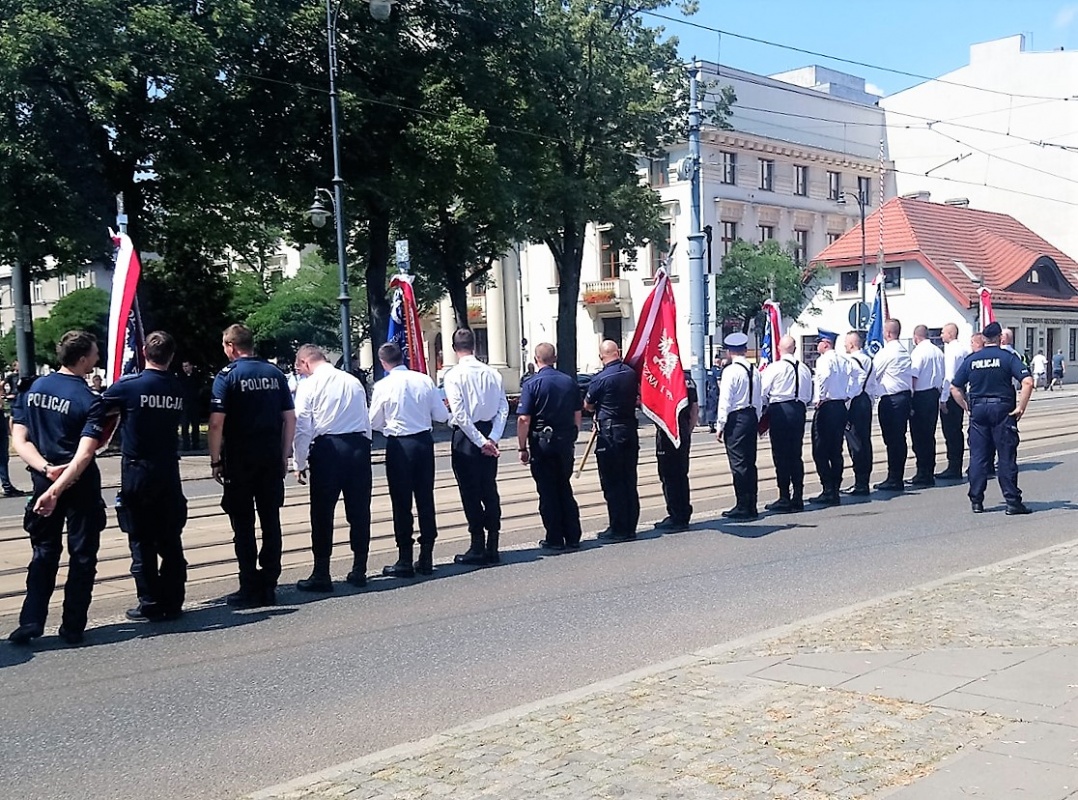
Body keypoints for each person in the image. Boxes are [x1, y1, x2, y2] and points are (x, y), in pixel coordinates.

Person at [8, 331, 107, 645]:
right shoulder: (90, 400)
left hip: (43, 477)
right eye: (94, 354)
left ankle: (31, 621)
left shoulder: (34, 388)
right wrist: (59, 486)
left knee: (44, 551)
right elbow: (84, 454)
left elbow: (19, 440)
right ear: (82, 360)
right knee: (82, 555)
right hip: (78, 485)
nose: (97, 358)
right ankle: (73, 626)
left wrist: (46, 473)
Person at [100, 331, 189, 622]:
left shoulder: (130, 386)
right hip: (168, 470)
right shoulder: (177, 387)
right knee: (171, 537)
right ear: (171, 356)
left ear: (143, 352)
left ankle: (149, 601)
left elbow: (96, 409)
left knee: (140, 538)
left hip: (138, 470)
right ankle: (174, 600)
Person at [209, 324, 296, 608]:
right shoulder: (275, 374)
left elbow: (216, 423)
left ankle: (249, 585)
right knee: (271, 521)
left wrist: (215, 460)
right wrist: (284, 455)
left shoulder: (226, 377)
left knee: (243, 524)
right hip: (271, 458)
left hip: (240, 461)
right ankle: (269, 583)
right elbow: (290, 418)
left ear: (232, 346)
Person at [291, 344, 372, 592]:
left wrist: (299, 461)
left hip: (328, 449)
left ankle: (322, 572)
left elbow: (303, 427)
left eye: (299, 368)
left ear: (305, 362)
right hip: (358, 446)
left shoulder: (310, 385)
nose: (301, 373)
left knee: (322, 513)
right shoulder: (352, 381)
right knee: (359, 510)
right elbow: (365, 418)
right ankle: (359, 568)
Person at [369, 342, 448, 577]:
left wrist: (388, 426)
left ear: (384, 363)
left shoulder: (383, 385)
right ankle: (426, 555)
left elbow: (373, 422)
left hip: (399, 445)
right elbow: (441, 415)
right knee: (425, 498)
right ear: (403, 358)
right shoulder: (424, 380)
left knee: (401, 502)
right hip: (423, 442)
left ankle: (405, 558)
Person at [950, 321, 1033, 515]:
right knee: (1005, 456)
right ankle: (1012, 502)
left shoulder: (972, 359)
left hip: (978, 410)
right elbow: (1027, 381)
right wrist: (1021, 407)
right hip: (1002, 410)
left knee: (978, 456)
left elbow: (955, 387)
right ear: (999, 338)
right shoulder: (1007, 357)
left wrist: (966, 407)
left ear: (984, 339)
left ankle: (976, 501)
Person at [442, 328, 509, 566]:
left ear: (454, 349)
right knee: (489, 489)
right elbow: (503, 408)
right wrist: (493, 438)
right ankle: (493, 544)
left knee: (470, 493)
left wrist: (481, 441)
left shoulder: (453, 375)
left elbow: (459, 415)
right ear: (475, 346)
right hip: (489, 433)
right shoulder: (493, 373)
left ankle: (477, 544)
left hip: (467, 439)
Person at [516, 343, 583, 551]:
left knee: (547, 491)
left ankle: (554, 537)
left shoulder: (531, 384)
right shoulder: (569, 382)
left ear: (536, 359)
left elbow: (524, 419)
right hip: (564, 443)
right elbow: (577, 414)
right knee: (564, 486)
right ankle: (573, 535)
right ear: (554, 359)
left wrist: (522, 448)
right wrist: (573, 436)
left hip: (542, 444)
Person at [584, 340, 640, 542]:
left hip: (609, 434)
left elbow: (588, 405)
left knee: (612, 482)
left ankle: (618, 528)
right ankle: (631, 526)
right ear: (618, 352)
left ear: (601, 356)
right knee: (629, 479)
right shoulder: (631, 373)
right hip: (629, 429)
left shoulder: (600, 378)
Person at [760, 335, 813, 512]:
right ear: (795, 349)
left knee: (781, 455)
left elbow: (763, 392)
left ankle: (784, 496)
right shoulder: (804, 368)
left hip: (781, 410)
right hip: (798, 410)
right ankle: (798, 496)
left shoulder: (775, 368)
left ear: (779, 348)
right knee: (795, 454)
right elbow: (808, 395)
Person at [715, 332, 761, 520]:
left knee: (738, 463)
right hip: (751, 416)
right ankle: (752, 504)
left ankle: (742, 505)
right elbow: (758, 398)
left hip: (737, 418)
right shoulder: (754, 370)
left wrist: (720, 424)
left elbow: (725, 399)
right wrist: (756, 419)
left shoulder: (731, 371)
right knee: (750, 461)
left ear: (729, 351)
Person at [869, 318, 914, 492]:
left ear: (887, 333)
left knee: (892, 440)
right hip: (903, 398)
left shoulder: (887, 352)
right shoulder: (903, 351)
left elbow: (873, 373)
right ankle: (897, 476)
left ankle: (893, 478)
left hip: (891, 400)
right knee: (899, 439)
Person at [811, 330, 854, 506]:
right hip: (840, 406)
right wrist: (848, 395)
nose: (817, 346)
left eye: (819, 342)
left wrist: (819, 398)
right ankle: (835, 488)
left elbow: (824, 377)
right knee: (836, 450)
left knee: (820, 450)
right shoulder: (844, 359)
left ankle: (828, 488)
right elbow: (855, 377)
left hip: (827, 406)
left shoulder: (824, 360)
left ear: (826, 343)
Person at [653, 372, 698, 531]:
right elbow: (694, 409)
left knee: (668, 476)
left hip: (667, 434)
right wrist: (688, 431)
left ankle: (676, 516)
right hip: (683, 432)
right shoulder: (687, 379)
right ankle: (683, 512)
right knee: (681, 474)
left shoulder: (662, 377)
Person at [908, 324, 945, 487]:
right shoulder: (938, 351)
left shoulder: (918, 352)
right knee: (929, 435)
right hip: (934, 394)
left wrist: (910, 396)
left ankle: (922, 472)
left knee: (919, 436)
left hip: (921, 396)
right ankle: (929, 470)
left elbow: (914, 376)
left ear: (916, 337)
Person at [937, 323, 971, 480]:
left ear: (950, 334)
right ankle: (956, 464)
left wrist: (943, 399)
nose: (941, 335)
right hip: (962, 390)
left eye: (943, 332)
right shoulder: (964, 349)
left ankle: (953, 467)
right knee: (957, 429)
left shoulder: (951, 351)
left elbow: (949, 378)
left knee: (951, 431)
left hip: (951, 394)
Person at [842, 331, 874, 495]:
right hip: (865, 400)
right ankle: (863, 480)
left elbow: (855, 382)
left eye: (846, 342)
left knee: (856, 442)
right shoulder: (867, 358)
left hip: (857, 401)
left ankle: (860, 482)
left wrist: (847, 398)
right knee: (864, 440)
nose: (845, 345)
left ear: (853, 344)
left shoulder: (853, 361)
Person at [178, 360, 203, 451]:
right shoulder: (181, 378)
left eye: (187, 366)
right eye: (184, 366)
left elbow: (200, 388)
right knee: (185, 426)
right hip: (185, 405)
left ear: (191, 366)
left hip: (194, 404)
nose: (185, 368)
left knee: (195, 425)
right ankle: (186, 445)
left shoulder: (196, 377)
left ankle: (196, 444)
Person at [704, 356, 721, 433]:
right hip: (716, 391)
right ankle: (717, 424)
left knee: (711, 407)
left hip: (710, 391)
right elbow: (719, 382)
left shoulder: (710, 370)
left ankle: (711, 424)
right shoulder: (718, 370)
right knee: (717, 408)